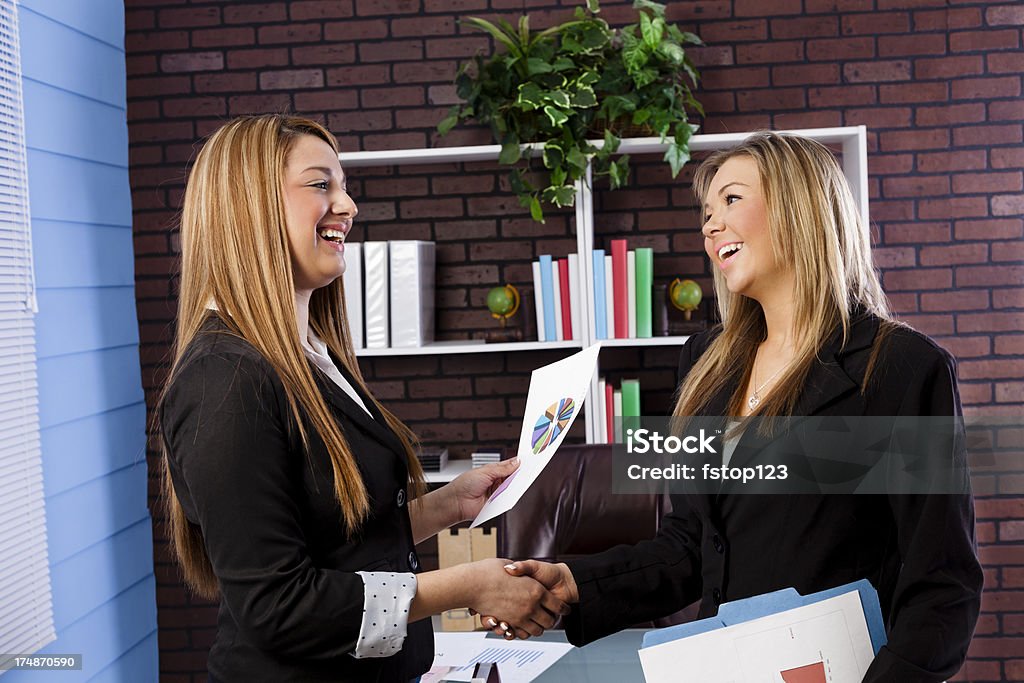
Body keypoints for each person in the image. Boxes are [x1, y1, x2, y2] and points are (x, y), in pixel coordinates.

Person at [490, 132, 983, 681]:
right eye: (705, 211)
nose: (709, 225)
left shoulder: (901, 367)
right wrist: (574, 581)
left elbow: (941, 583)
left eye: (731, 199)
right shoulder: (704, 362)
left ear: (801, 208)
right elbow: (692, 544)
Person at [158, 114, 567, 683]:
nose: (347, 206)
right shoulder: (224, 381)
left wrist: (448, 506)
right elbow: (279, 607)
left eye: (343, 186)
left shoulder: (308, 356)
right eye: (321, 184)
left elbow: (336, 539)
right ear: (248, 208)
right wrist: (467, 584)